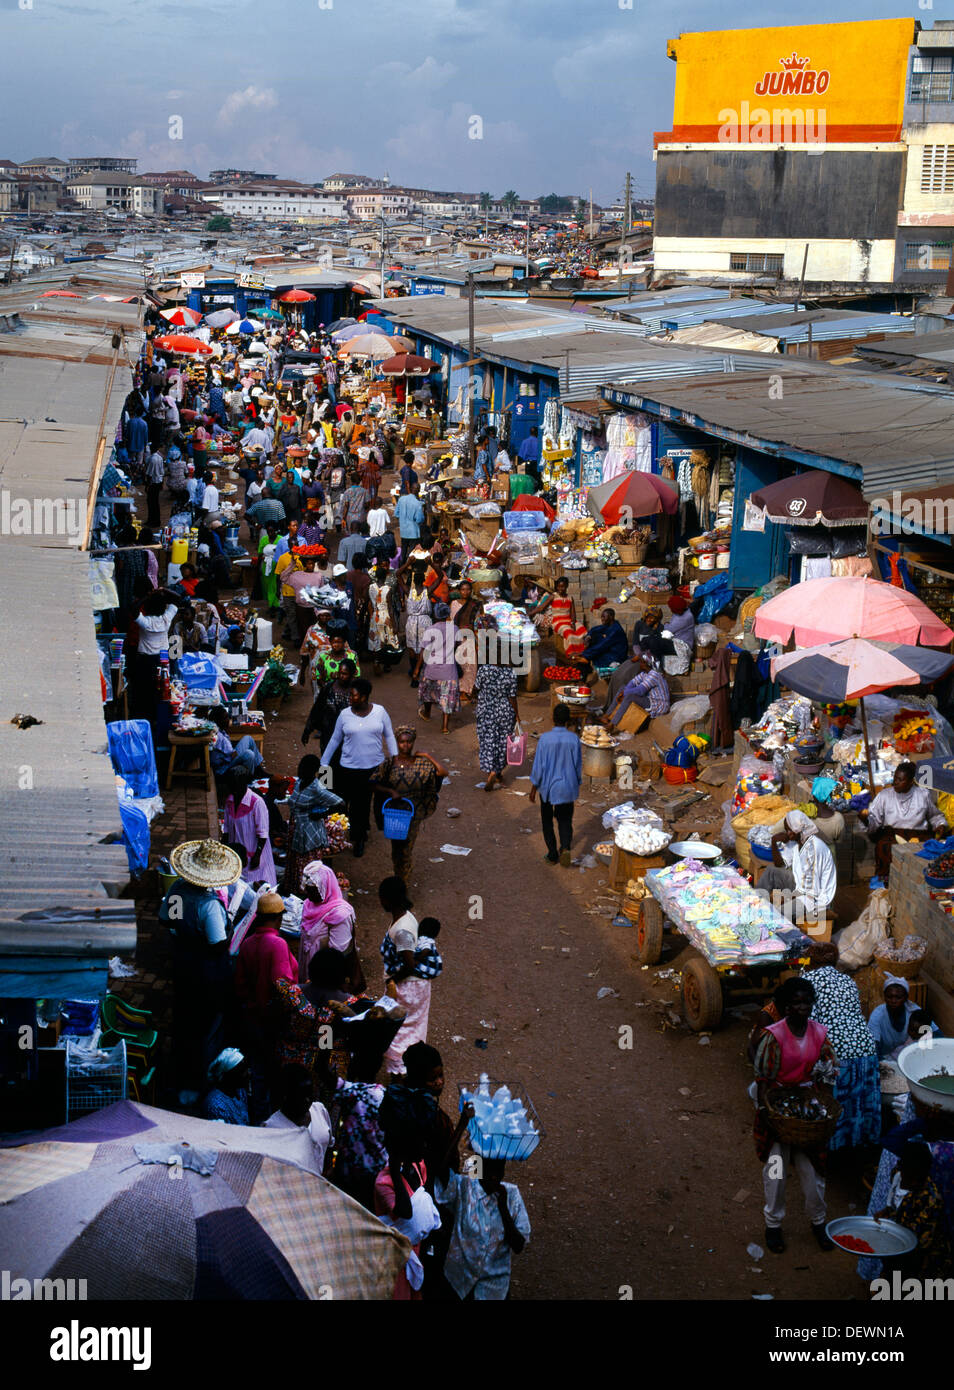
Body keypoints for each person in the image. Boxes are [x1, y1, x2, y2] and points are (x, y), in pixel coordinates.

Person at [753, 976, 838, 1254]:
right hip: (778, 1107)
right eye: (796, 1003)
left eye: (806, 1002)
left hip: (806, 1108)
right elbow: (764, 1079)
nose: (802, 1007)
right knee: (776, 1170)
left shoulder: (819, 1033)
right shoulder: (774, 1036)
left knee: (812, 1173)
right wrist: (767, 1113)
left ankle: (818, 1222)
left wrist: (822, 1102)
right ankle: (773, 1224)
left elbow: (827, 1073)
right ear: (786, 1007)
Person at [159, 838, 242, 1100]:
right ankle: (200, 1083)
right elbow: (218, 944)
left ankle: (179, 1075)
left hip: (182, 962)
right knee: (206, 1027)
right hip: (205, 972)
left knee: (183, 1019)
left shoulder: (176, 891)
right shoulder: (208, 906)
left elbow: (165, 920)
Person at [806, 941, 881, 1150]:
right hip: (865, 1045)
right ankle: (861, 1144)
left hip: (836, 1051)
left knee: (837, 1102)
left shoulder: (808, 981)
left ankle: (835, 1146)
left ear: (812, 960)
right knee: (860, 1100)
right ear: (836, 960)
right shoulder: (848, 981)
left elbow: (810, 1023)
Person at [321, 678, 399, 857]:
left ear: (364, 697)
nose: (350, 698)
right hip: (348, 767)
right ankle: (343, 833)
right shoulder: (344, 715)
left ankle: (359, 838)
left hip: (372, 768)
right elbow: (335, 739)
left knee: (362, 804)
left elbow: (389, 736)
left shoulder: (380, 712)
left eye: (353, 695)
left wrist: (395, 760)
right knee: (344, 802)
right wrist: (324, 762)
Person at [434, 1159, 530, 1301]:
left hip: (494, 1287)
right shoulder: (463, 1186)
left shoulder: (512, 1195)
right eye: (489, 1171)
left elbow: (518, 1245)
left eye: (499, 1170)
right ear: (480, 1169)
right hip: (459, 1280)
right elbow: (440, 1168)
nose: (494, 1177)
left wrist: (503, 1208)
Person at [372, 725, 448, 880]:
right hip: (396, 813)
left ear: (413, 742)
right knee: (397, 848)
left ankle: (403, 882)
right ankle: (398, 874)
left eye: (408, 742)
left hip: (415, 813)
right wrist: (390, 792)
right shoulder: (389, 763)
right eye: (401, 742)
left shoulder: (422, 763)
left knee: (406, 849)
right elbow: (373, 782)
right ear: (397, 742)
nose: (405, 745)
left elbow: (442, 772)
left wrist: (428, 756)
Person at [874, 1140, 954, 1278]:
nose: (911, 1182)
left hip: (918, 1260)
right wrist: (888, 1210)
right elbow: (899, 1202)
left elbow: (919, 1245)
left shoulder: (930, 1201)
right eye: (908, 1177)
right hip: (900, 1251)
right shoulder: (900, 1173)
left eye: (917, 1179)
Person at [379, 876, 431, 1075]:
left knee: (399, 1032)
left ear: (388, 899)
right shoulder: (405, 917)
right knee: (411, 1029)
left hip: (408, 987)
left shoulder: (402, 930)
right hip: (414, 985)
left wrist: (392, 981)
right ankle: (413, 1067)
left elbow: (408, 965)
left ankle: (400, 1074)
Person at [863, 761, 946, 884]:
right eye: (895, 778)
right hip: (892, 835)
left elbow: (935, 815)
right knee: (883, 846)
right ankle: (887, 880)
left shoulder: (923, 794)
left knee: (930, 849)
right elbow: (874, 820)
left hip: (918, 835)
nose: (895, 782)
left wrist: (940, 824)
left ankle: (920, 879)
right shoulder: (884, 795)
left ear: (911, 782)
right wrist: (865, 820)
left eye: (900, 780)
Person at [282, 754, 345, 894]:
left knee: (306, 866)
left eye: (305, 768)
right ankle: (292, 890)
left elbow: (340, 803)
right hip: (296, 828)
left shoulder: (317, 788)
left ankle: (306, 895)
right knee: (294, 861)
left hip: (308, 832)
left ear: (313, 771)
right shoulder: (299, 782)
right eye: (301, 767)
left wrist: (321, 814)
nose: (301, 770)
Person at [529, 703, 583, 867]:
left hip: (548, 788)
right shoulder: (574, 739)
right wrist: (576, 784)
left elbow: (539, 767)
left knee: (547, 821)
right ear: (568, 720)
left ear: (553, 719)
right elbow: (577, 766)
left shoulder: (545, 739)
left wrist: (533, 788)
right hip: (567, 788)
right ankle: (565, 847)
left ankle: (552, 854)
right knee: (565, 820)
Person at [473, 621, 520, 792]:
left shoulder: (484, 670)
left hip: (486, 710)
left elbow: (476, 688)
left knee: (487, 741)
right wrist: (517, 715)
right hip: (504, 711)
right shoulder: (510, 673)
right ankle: (497, 771)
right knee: (502, 741)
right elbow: (512, 696)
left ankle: (490, 771)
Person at [262, 1063, 333, 1175]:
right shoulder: (271, 1128)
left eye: (310, 1093)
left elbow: (328, 1144)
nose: (307, 1099)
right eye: (300, 1095)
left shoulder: (319, 1110)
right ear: (286, 1096)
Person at [298, 860, 356, 974]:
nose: (308, 896)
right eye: (307, 890)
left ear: (325, 888)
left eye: (313, 891)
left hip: (325, 974)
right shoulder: (309, 904)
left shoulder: (340, 914)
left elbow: (338, 953)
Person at [223, 770, 277, 885]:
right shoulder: (230, 801)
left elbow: (262, 834)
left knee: (259, 890)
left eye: (235, 785)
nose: (232, 789)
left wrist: (257, 856)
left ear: (244, 784)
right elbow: (226, 830)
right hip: (236, 855)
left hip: (255, 856)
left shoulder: (257, 803)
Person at [414, 602, 460, 735]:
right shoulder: (455, 628)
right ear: (448, 615)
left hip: (432, 669)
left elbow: (423, 651)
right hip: (449, 671)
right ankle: (445, 727)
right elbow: (457, 644)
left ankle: (427, 713)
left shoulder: (430, 630)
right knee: (447, 698)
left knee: (428, 693)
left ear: (435, 614)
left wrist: (417, 669)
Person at [302, 656, 358, 749]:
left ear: (352, 674)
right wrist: (307, 730)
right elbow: (317, 709)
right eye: (340, 673)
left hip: (349, 736)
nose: (341, 676)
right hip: (329, 732)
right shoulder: (329, 688)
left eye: (345, 674)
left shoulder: (356, 692)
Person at [604, 653, 670, 727]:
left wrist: (625, 693)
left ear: (645, 663)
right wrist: (624, 692)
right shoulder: (644, 673)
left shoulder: (654, 675)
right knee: (623, 688)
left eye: (641, 662)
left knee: (629, 697)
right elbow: (633, 682)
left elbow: (640, 690)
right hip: (650, 700)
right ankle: (606, 716)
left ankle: (612, 724)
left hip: (658, 704)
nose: (639, 664)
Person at [533, 576, 587, 658]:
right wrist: (529, 613)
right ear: (556, 586)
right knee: (569, 633)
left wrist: (573, 622)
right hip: (558, 622)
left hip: (568, 620)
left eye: (563, 587)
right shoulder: (553, 596)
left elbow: (573, 613)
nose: (560, 589)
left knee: (582, 630)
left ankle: (583, 651)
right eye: (559, 586)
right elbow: (541, 607)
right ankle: (572, 653)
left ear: (567, 586)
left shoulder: (570, 598)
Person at [869, 976, 919, 1061]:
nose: (893, 1001)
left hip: (909, 1056)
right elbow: (873, 1045)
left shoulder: (914, 1011)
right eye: (889, 997)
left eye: (898, 997)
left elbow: (935, 1032)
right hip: (885, 1056)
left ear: (906, 997)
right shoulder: (877, 1015)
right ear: (884, 996)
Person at [572, 606, 628, 677]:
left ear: (611, 617)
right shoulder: (609, 625)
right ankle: (585, 665)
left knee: (592, 655)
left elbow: (602, 645)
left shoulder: (616, 630)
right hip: (609, 651)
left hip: (616, 656)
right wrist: (588, 637)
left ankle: (585, 668)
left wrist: (584, 654)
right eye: (601, 617)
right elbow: (594, 629)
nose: (602, 619)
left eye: (604, 617)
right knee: (594, 636)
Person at [368, 560, 400, 676]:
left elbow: (370, 604)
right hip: (385, 616)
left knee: (375, 640)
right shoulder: (388, 589)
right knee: (386, 640)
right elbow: (390, 607)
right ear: (385, 577)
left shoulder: (371, 587)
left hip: (375, 616)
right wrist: (395, 624)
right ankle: (386, 664)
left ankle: (376, 661)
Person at [202, 1048, 250, 1125]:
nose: (248, 1073)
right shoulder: (216, 1105)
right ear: (229, 1075)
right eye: (242, 1070)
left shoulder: (240, 1092)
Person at [403, 563, 433, 684]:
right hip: (424, 622)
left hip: (412, 622)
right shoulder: (428, 591)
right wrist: (429, 562)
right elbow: (440, 576)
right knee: (424, 647)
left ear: (414, 581)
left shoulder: (408, 591)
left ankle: (413, 670)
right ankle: (420, 671)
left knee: (411, 647)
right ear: (424, 580)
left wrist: (408, 562)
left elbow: (398, 574)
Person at [810, 776, 846, 846]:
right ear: (829, 797)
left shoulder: (807, 816)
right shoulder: (838, 819)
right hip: (830, 854)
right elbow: (840, 841)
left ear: (814, 796)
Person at [396, 482, 425, 561]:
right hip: (413, 532)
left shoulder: (401, 499)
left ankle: (401, 565)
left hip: (403, 530)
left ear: (411, 489)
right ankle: (407, 566)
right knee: (411, 552)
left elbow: (397, 514)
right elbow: (419, 519)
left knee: (404, 549)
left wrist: (403, 518)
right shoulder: (418, 503)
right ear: (418, 491)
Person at [257, 522, 282, 615]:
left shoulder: (281, 540)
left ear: (276, 531)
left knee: (275, 585)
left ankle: (275, 606)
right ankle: (271, 604)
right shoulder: (264, 539)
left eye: (272, 531)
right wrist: (258, 568)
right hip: (266, 566)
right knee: (267, 586)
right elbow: (260, 553)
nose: (270, 533)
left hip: (277, 566)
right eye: (268, 532)